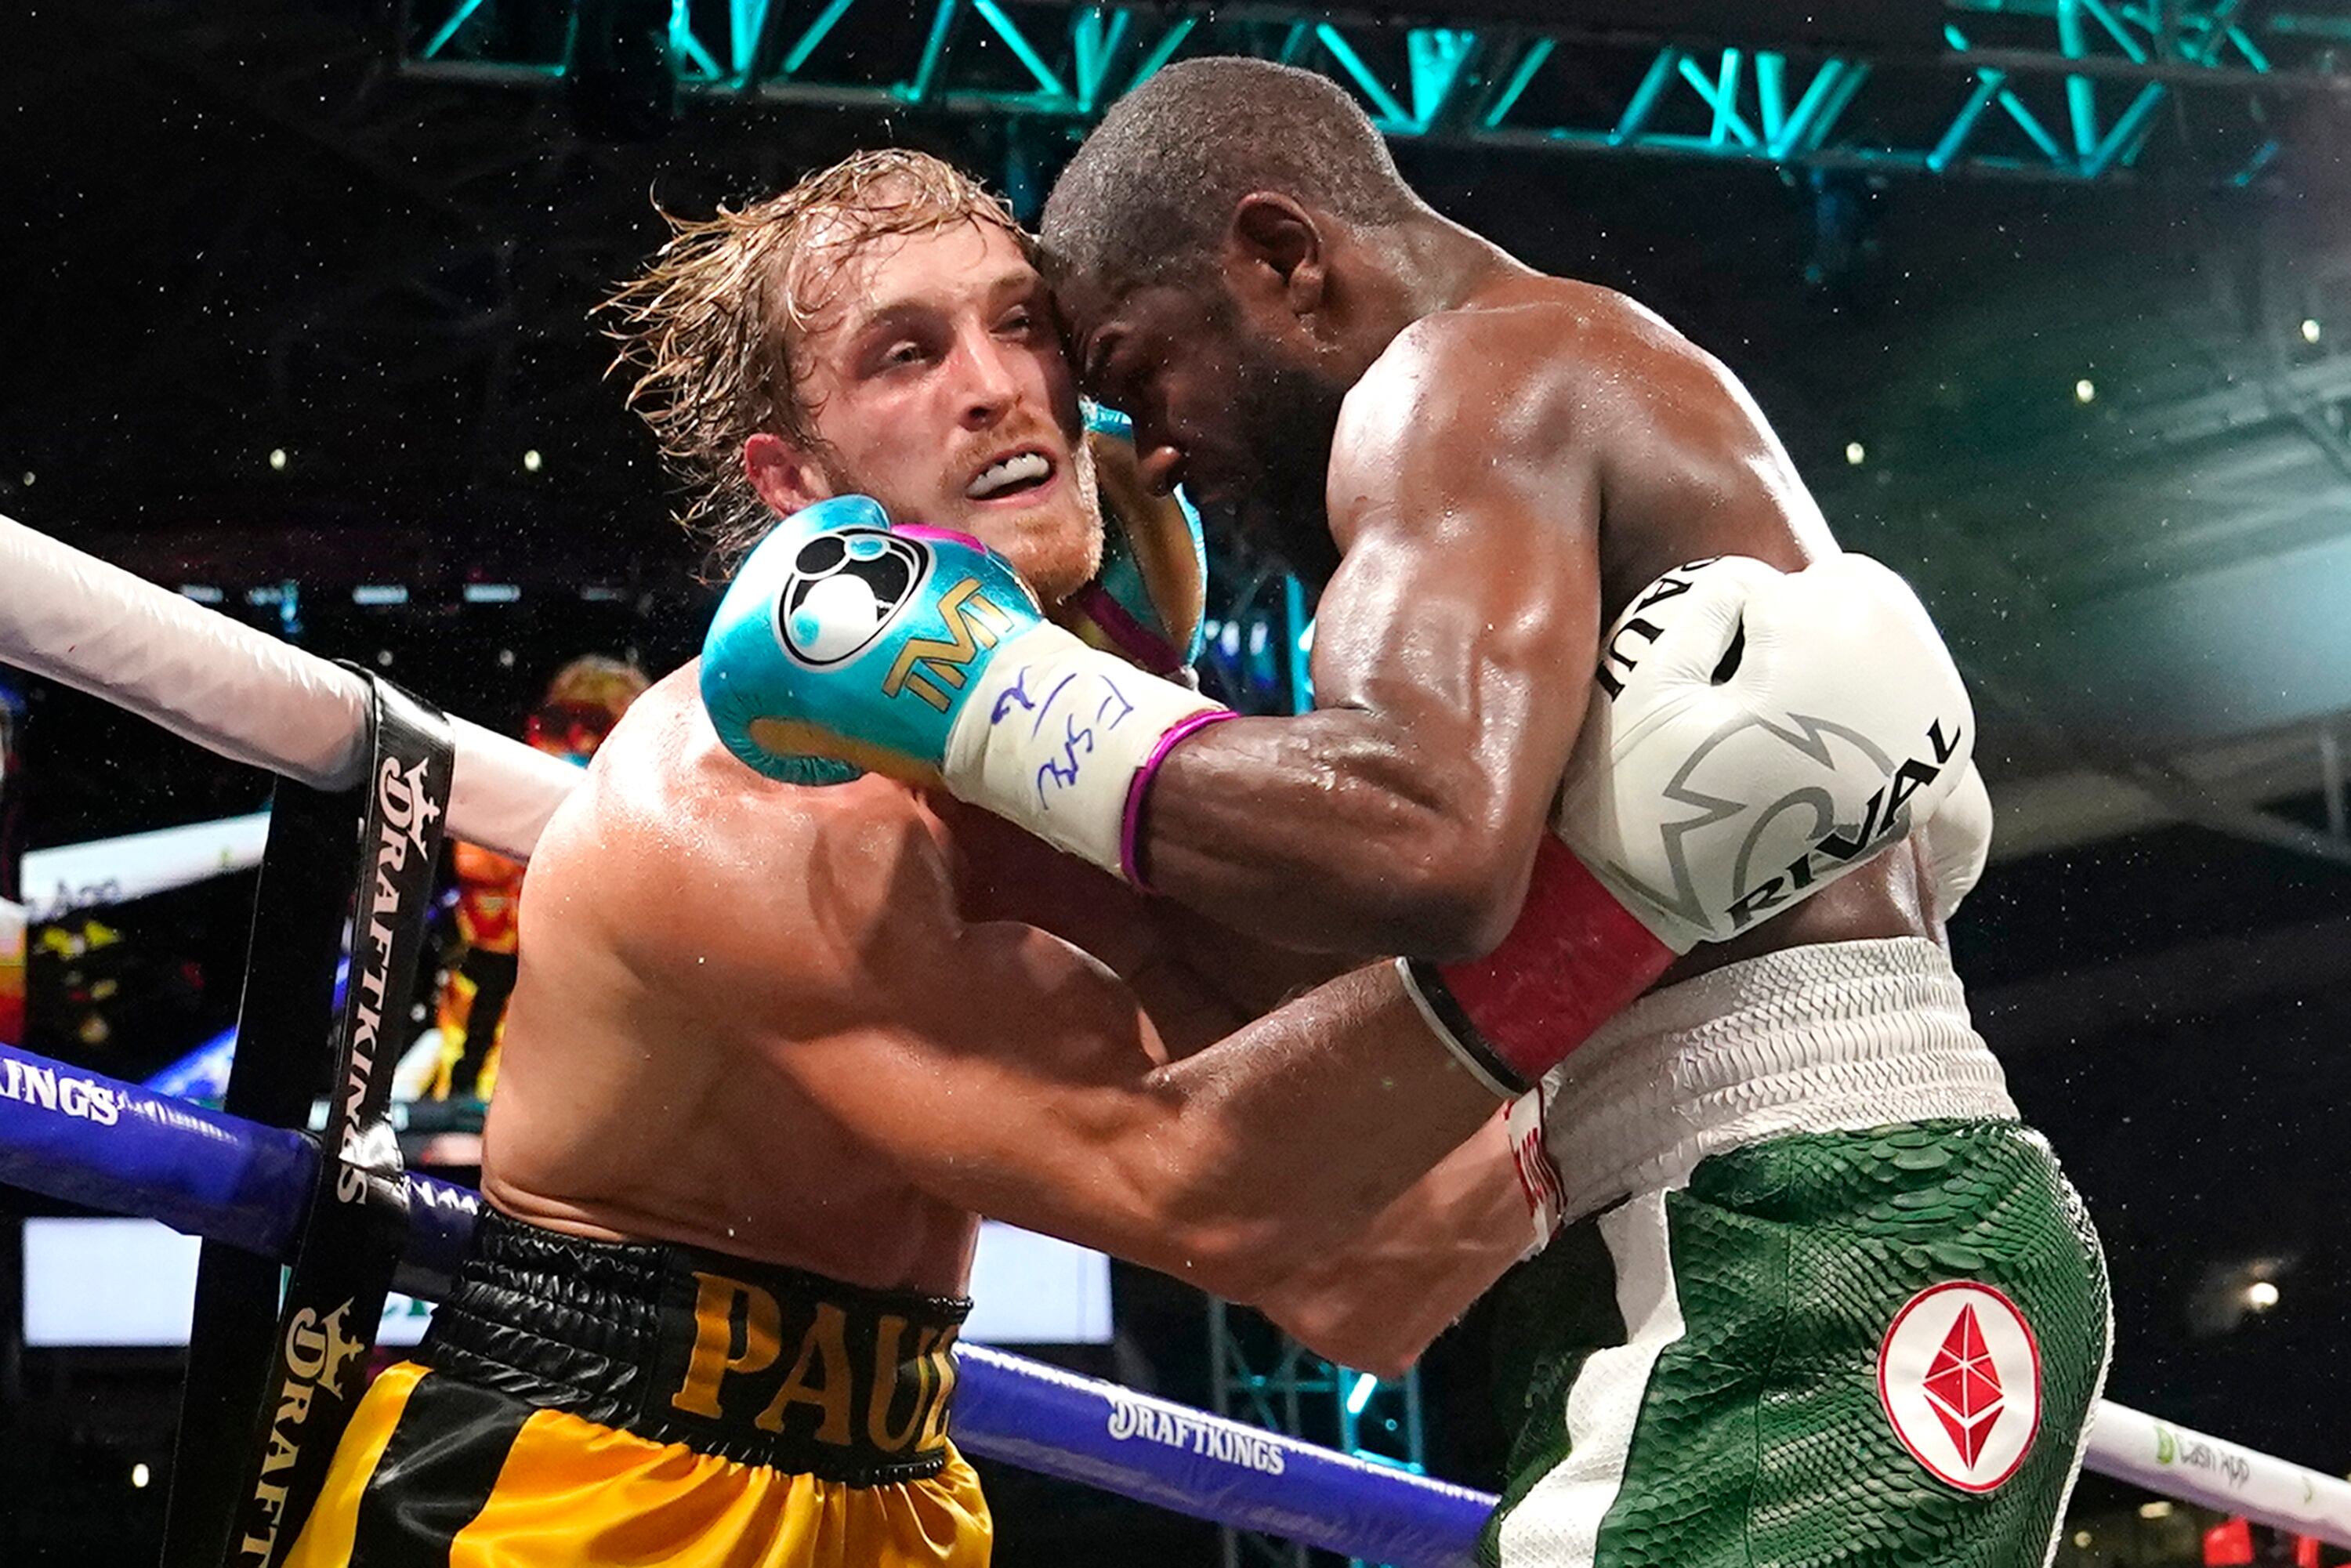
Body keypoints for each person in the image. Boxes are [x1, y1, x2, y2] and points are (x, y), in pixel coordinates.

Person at [285, 150, 1965, 1568]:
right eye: (905, 353)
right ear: (797, 483)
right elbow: (1197, 1188)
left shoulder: (1088, 714)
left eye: (1022, 324)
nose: (995, 382)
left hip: (901, 1473)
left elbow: (1362, 1274)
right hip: (579, 1477)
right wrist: (1651, 875)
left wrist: (1787, 877)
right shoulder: (732, 806)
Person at [717, 62, 2106, 1568]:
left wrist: (984, 694)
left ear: (1282, 260)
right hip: (1804, 1216)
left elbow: (1424, 847)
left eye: (1143, 367)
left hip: (1785, 1225)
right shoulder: (1579, 369)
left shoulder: (1461, 383)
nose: (1159, 447)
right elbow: (1365, 1176)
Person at [420, 654, 650, 1102]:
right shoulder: (508, 779)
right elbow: (477, 868)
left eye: (600, 727)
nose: (581, 738)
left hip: (591, 1006)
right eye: (568, 722)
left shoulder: (646, 805)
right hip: (491, 993)